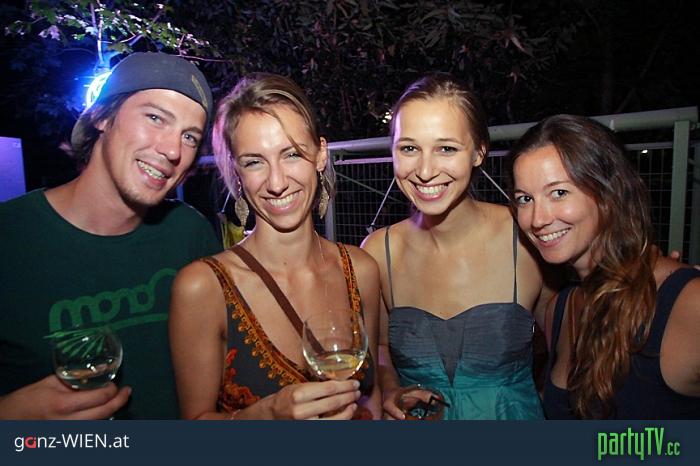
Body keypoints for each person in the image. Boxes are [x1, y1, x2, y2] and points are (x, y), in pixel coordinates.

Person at [0, 52, 221, 419]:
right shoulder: (11, 237)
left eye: (189, 137)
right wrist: (12, 415)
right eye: (155, 118)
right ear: (102, 116)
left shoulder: (190, 235)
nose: (172, 150)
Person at [169, 73, 381, 420]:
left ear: (320, 155)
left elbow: (372, 395)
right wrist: (267, 416)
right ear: (236, 173)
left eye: (292, 154)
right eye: (254, 162)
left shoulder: (362, 270)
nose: (277, 182)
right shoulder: (203, 287)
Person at [361, 74, 555, 420]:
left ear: (479, 152)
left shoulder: (526, 234)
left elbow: (570, 346)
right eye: (409, 148)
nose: (424, 171)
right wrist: (391, 387)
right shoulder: (379, 250)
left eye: (446, 148)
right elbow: (380, 346)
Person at [510, 114, 700, 419]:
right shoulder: (561, 310)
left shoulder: (687, 304)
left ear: (609, 195)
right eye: (524, 199)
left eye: (559, 193)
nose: (537, 219)